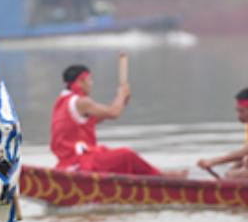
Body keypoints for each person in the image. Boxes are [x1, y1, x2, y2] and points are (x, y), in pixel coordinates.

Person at [51, 62, 187, 177]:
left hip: (72, 160)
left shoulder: (63, 101)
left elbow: (97, 119)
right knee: (126, 154)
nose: (91, 83)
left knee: (113, 154)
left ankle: (157, 175)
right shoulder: (82, 102)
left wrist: (122, 101)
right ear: (81, 81)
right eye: (89, 80)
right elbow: (113, 113)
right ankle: (161, 177)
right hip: (81, 163)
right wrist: (121, 95)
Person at [197, 87, 248, 178]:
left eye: (242, 111)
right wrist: (230, 171)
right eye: (237, 111)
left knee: (240, 174)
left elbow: (244, 152)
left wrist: (213, 162)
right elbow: (247, 153)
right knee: (231, 173)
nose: (238, 116)